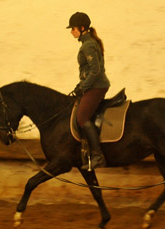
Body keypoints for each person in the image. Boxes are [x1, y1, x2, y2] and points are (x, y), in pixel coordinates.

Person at [67, 12, 110, 170]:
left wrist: (83, 87)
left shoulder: (88, 45)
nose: (71, 31)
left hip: (96, 86)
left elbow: (95, 71)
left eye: (73, 28)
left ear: (82, 28)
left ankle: (98, 156)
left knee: (82, 117)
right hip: (93, 85)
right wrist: (80, 85)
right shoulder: (88, 43)